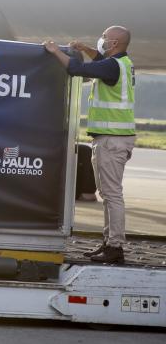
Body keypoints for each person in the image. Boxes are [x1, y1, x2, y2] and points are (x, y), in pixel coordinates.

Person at [44, 26, 135, 264]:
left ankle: (115, 247)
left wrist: (55, 51)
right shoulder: (120, 63)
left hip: (112, 139)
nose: (102, 40)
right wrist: (86, 49)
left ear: (114, 43)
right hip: (113, 137)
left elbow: (76, 68)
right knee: (108, 193)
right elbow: (101, 60)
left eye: (105, 37)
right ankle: (109, 243)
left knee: (112, 195)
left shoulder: (112, 66)